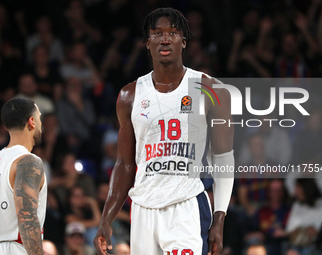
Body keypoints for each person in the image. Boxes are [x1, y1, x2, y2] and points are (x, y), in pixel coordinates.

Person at [94, 7, 234, 255]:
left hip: (186, 206)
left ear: (184, 42)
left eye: (172, 32)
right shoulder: (129, 95)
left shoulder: (211, 90)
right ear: (147, 43)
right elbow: (125, 164)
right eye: (157, 33)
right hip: (143, 209)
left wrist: (219, 220)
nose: (165, 38)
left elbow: (224, 159)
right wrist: (106, 217)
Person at [0, 97, 47, 255]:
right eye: (39, 118)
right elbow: (27, 218)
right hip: (17, 248)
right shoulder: (28, 162)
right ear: (32, 121)